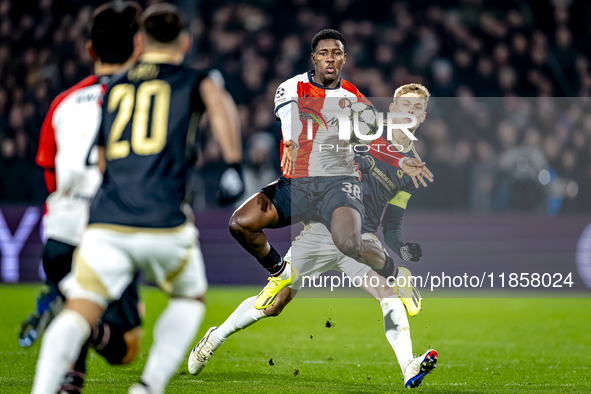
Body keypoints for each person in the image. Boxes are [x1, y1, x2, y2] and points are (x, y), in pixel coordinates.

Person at [31, 4, 243, 394]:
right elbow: (217, 100)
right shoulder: (194, 78)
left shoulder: (111, 88)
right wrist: (233, 164)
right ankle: (149, 386)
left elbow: (99, 159)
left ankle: (44, 389)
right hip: (164, 223)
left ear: (141, 42)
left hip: (104, 224)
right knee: (189, 297)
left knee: (78, 309)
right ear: (185, 42)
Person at [189, 83, 437, 389]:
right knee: (273, 306)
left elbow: (393, 225)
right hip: (323, 228)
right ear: (393, 108)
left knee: (388, 295)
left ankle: (408, 366)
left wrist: (403, 247)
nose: (409, 112)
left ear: (422, 117)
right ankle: (215, 337)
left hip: (362, 240)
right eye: (405, 105)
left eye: (416, 108)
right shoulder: (369, 128)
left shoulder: (413, 170)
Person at [229, 29, 433, 312]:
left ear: (344, 59)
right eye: (323, 53)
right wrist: (289, 141)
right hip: (297, 184)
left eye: (336, 53)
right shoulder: (291, 86)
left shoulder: (354, 97)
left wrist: (399, 160)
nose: (330, 59)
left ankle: (398, 276)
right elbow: (289, 113)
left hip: (336, 184)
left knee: (350, 243)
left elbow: (371, 139)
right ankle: (280, 272)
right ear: (313, 57)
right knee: (241, 223)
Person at [20, 3, 144, 393]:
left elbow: (51, 176)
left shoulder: (61, 103)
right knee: (126, 348)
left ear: (90, 49)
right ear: (138, 46)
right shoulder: (145, 99)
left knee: (71, 366)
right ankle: (78, 321)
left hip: (60, 231)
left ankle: (69, 367)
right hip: (111, 229)